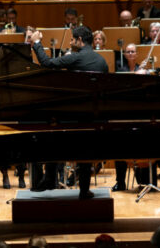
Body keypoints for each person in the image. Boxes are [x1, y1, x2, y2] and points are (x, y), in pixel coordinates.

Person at [27, 26, 105, 198]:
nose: (70, 42)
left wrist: (37, 42)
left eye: (72, 39)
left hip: (71, 114)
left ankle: (49, 179)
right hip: (93, 116)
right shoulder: (101, 61)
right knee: (86, 154)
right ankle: (84, 190)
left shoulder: (76, 58)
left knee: (54, 141)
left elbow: (46, 64)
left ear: (79, 40)